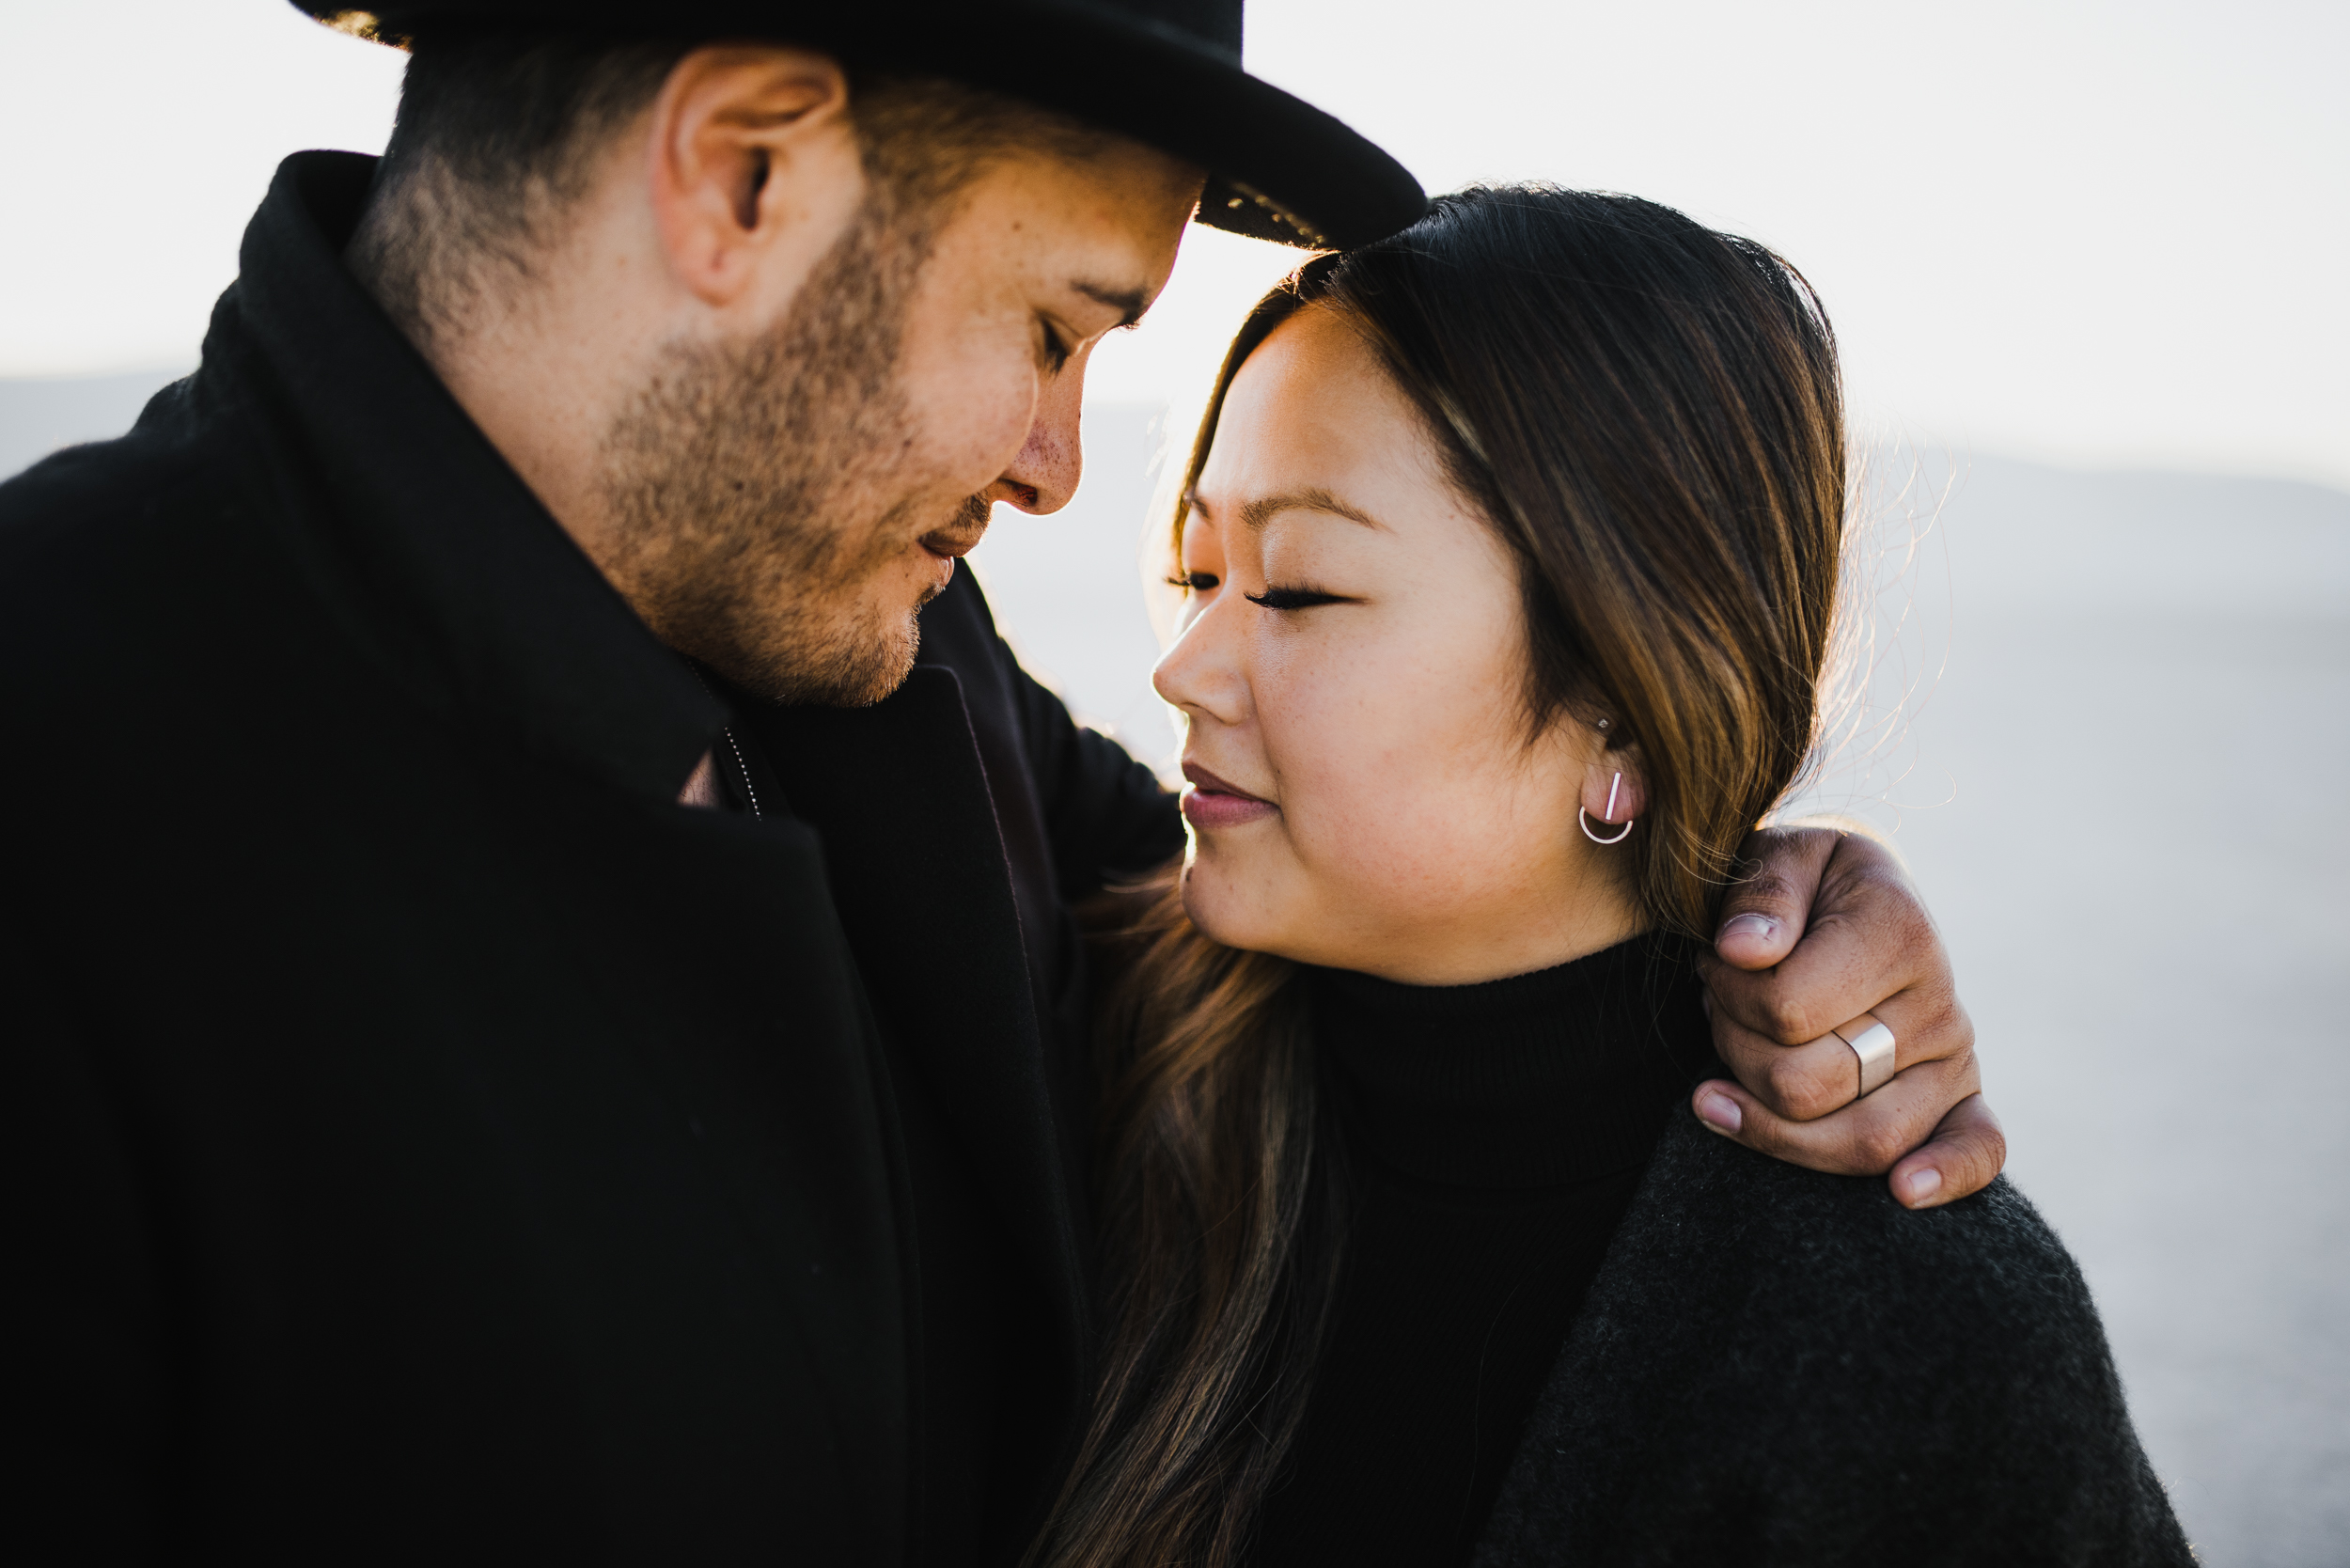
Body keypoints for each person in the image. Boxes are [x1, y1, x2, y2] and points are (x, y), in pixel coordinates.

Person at [3, 3, 1994, 1560]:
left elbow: (1395, 910)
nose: (1053, 465)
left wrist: (1762, 914)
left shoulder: (877, 661)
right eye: (1053, 326)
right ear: (744, 175)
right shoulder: (69, 773)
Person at [1034, 188, 2191, 1566]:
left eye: (1294, 590)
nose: (1181, 666)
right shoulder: (1069, 1021)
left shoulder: (1927, 1332)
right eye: (1195, 569)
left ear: (1628, 709)